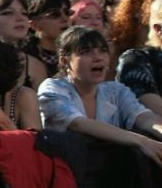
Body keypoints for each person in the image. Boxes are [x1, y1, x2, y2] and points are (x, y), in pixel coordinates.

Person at [40, 26, 162, 165]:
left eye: (103, 51)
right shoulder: (52, 88)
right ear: (64, 61)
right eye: (85, 52)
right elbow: (78, 124)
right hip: (68, 173)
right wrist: (142, 141)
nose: (98, 58)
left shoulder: (116, 91)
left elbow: (144, 118)